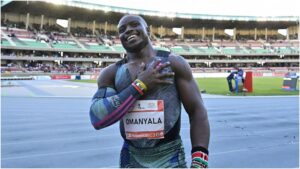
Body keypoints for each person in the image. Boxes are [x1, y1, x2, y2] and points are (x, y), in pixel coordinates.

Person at [89, 15, 210, 168]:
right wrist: (140, 85)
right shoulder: (111, 73)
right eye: (122, 29)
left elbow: (197, 111)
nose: (128, 30)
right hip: (132, 158)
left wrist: (200, 161)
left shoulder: (174, 63)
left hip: (170, 157)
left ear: (147, 30)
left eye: (134, 25)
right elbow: (97, 118)